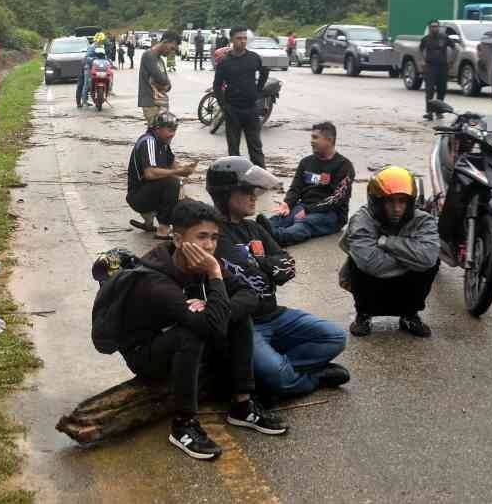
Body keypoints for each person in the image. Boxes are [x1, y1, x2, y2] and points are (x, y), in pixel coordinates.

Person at [119, 199, 288, 461]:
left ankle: (242, 405)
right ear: (177, 239)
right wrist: (215, 276)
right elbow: (208, 325)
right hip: (147, 354)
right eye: (201, 237)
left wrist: (215, 300)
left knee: (237, 317)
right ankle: (183, 425)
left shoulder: (206, 261)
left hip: (186, 338)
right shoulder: (155, 279)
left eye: (214, 237)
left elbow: (249, 295)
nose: (209, 246)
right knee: (193, 330)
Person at [207, 157, 349, 399]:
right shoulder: (211, 234)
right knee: (275, 374)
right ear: (225, 194)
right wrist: (266, 266)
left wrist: (258, 264)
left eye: (254, 191)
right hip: (245, 324)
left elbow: (287, 267)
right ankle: (310, 378)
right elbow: (250, 275)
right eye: (246, 191)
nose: (254, 196)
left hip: (275, 314)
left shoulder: (255, 228)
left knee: (336, 337)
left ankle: (272, 375)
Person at [341, 166, 441, 338]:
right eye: (390, 201)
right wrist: (411, 258)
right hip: (371, 279)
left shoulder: (423, 220)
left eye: (402, 201)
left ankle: (410, 315)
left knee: (432, 264)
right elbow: (370, 263)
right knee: (357, 262)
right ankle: (363, 315)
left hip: (407, 279)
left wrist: (387, 242)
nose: (397, 208)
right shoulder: (361, 220)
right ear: (378, 202)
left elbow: (429, 257)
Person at [259, 122, 354, 246]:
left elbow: (337, 199)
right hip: (304, 206)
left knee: (304, 223)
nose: (311, 141)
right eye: (311, 137)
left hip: (332, 214)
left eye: (315, 137)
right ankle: (258, 233)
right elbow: (296, 187)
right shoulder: (306, 162)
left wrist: (308, 210)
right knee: (281, 218)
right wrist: (287, 203)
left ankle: (278, 238)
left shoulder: (344, 165)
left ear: (329, 140)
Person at [126, 112, 196, 238]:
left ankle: (149, 220)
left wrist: (186, 169)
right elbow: (150, 173)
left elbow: (174, 165)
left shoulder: (164, 143)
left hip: (149, 192)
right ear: (157, 129)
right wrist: (177, 173)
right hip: (137, 197)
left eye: (175, 130)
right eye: (169, 130)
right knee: (172, 182)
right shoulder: (149, 142)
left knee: (188, 201)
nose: (173, 134)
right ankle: (163, 229)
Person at [213, 26, 268, 167]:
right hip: (233, 110)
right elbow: (217, 86)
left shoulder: (254, 58)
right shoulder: (224, 62)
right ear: (231, 40)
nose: (243, 41)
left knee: (255, 146)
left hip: (251, 109)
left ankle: (260, 177)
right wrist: (224, 106)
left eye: (245, 38)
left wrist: (258, 91)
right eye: (239, 38)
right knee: (233, 149)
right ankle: (235, 178)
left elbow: (264, 73)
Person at [420, 20, 457, 121]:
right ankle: (429, 112)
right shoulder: (425, 39)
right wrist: (422, 61)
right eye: (432, 26)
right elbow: (420, 50)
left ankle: (439, 111)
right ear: (429, 27)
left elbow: (454, 48)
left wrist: (452, 61)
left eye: (436, 26)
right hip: (430, 67)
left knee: (442, 89)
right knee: (429, 90)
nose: (434, 28)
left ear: (439, 27)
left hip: (442, 67)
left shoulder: (444, 37)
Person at [138, 31, 178, 124]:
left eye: (174, 50)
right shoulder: (149, 55)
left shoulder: (160, 60)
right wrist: (165, 83)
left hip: (160, 103)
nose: (171, 52)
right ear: (165, 41)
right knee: (157, 133)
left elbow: (167, 83)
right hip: (152, 103)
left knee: (162, 134)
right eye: (172, 48)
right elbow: (161, 79)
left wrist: (166, 83)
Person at [77, 32, 107, 108]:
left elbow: (104, 57)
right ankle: (84, 101)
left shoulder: (101, 47)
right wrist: (94, 59)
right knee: (87, 84)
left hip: (97, 68)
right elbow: (87, 57)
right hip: (89, 67)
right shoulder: (92, 47)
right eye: (102, 40)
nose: (102, 41)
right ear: (98, 40)